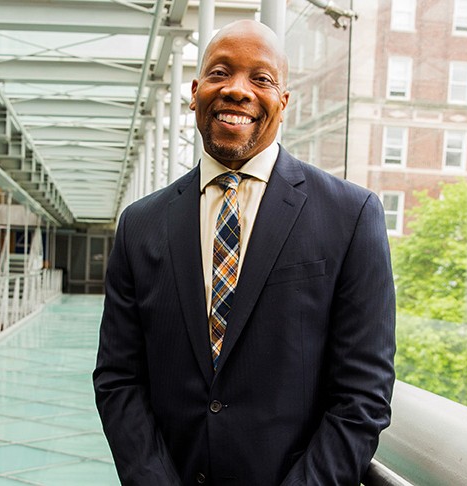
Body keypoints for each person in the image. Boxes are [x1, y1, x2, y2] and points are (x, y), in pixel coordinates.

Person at [93, 19, 395, 486]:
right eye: (220, 73)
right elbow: (119, 379)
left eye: (261, 78)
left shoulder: (351, 216)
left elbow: (363, 395)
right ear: (195, 91)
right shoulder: (140, 224)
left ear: (284, 101)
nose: (237, 90)